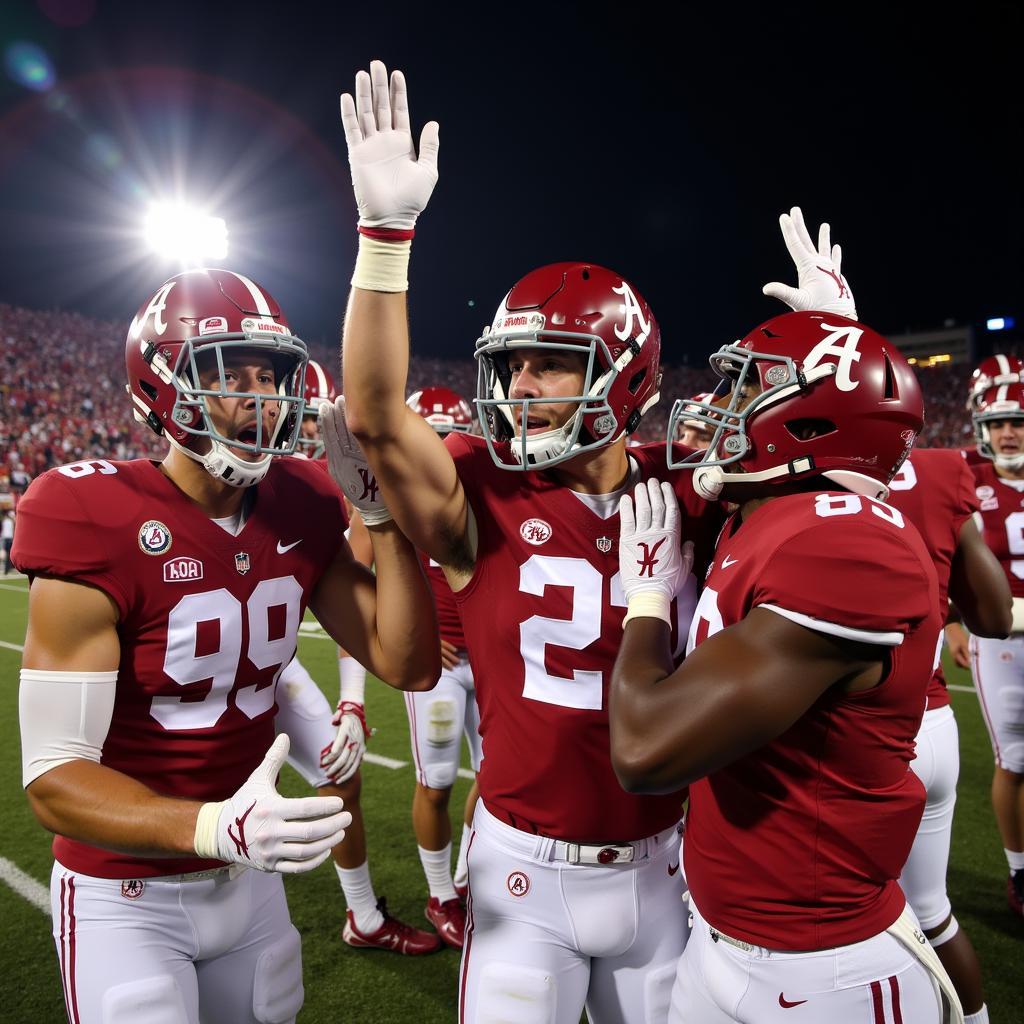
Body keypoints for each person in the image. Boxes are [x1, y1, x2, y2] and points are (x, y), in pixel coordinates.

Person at [338, 61, 723, 1023]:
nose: (520, 391)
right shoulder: (484, 495)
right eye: (513, 368)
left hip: (668, 865)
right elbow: (375, 416)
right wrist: (385, 239)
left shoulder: (693, 491)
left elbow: (842, 459)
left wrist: (832, 335)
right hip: (522, 869)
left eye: (553, 366)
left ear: (626, 377)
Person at [13, 267, 440, 1024]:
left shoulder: (303, 500)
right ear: (164, 387)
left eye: (269, 375)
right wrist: (212, 825)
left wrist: (382, 520)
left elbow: (406, 662)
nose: (257, 396)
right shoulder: (89, 511)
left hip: (249, 884)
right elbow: (54, 779)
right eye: (226, 374)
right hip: (127, 890)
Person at [611, 310, 963, 1022]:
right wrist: (833, 330)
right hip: (720, 938)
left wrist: (645, 599)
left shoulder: (845, 544)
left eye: (748, 390)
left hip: (825, 970)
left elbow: (644, 750)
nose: (720, 407)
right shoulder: (771, 508)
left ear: (808, 422)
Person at [278, 358, 443, 954]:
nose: (288, 439)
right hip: (184, 689)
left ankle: (363, 916)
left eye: (299, 426)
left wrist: (351, 702)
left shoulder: (310, 499)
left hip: (270, 671)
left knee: (340, 775)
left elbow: (353, 607)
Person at [886, 450, 1010, 1023]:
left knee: (839, 921)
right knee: (931, 910)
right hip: (933, 722)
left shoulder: (800, 488)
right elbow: (995, 614)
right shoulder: (940, 471)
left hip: (855, 737)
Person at [404, 385, 482, 949]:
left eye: (444, 436)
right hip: (441, 665)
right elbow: (368, 575)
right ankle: (441, 894)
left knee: (500, 779)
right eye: (426, 435)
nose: (436, 448)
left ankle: (468, 878)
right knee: (436, 783)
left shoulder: (480, 484)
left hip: (496, 660)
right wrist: (424, 633)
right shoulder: (393, 494)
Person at [957, 381, 1024, 918]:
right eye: (999, 423)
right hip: (1003, 641)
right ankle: (1019, 871)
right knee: (1015, 759)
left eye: (1017, 422)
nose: (1008, 433)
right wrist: (948, 624)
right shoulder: (966, 480)